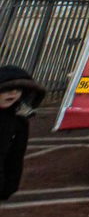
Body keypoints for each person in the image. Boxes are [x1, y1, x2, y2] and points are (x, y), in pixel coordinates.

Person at [1, 66, 46, 203]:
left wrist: (9, 186)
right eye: (7, 89)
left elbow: (16, 155)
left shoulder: (18, 121)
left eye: (18, 90)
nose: (13, 93)